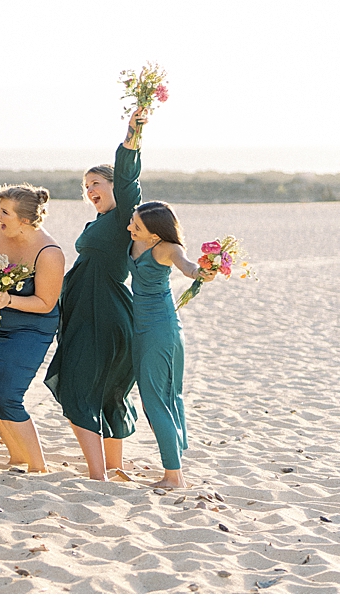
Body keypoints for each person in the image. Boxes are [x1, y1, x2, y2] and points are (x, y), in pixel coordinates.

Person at [44, 108, 149, 480]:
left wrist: (131, 135)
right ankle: (114, 467)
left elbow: (129, 179)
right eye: (86, 186)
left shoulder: (125, 217)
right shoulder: (101, 221)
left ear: (112, 186)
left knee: (77, 387)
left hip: (103, 312)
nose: (90, 191)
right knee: (105, 391)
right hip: (89, 311)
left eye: (96, 184)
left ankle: (98, 473)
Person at [0, 184, 65, 472]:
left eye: (5, 212)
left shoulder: (49, 253)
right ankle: (16, 454)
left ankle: (38, 466)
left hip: (32, 328)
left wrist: (9, 299)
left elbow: (46, 303)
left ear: (25, 219)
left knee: (8, 395)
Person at [128, 200, 211, 489]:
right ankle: (175, 460)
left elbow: (188, 268)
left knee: (157, 399)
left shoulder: (167, 248)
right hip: (141, 328)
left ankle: (174, 476)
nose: (129, 227)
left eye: (136, 226)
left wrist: (203, 272)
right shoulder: (136, 241)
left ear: (155, 234)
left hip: (161, 329)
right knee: (160, 397)